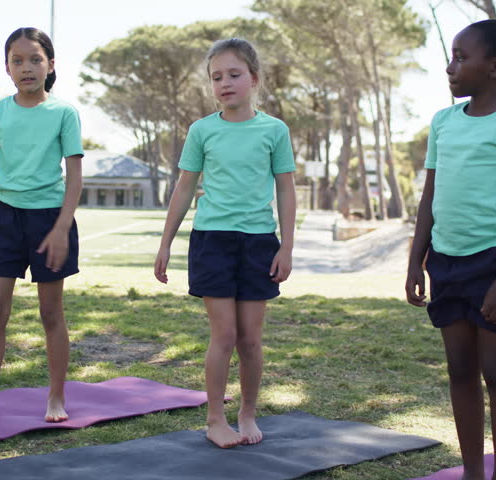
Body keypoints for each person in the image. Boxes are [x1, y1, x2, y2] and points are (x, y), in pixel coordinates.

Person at [405, 20, 496, 480]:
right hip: (447, 261)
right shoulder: (443, 122)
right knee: (460, 370)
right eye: (452, 55)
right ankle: (471, 473)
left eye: (461, 57)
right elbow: (430, 196)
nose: (450, 66)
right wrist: (415, 260)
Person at [154, 38, 296, 449]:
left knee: (251, 337)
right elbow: (184, 189)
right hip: (212, 241)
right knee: (224, 334)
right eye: (217, 77)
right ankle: (215, 419)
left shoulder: (274, 130)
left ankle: (247, 411)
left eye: (234, 74)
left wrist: (286, 246)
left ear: (254, 79)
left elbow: (286, 190)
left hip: (258, 244)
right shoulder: (202, 130)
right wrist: (165, 243)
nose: (225, 83)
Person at [0, 27, 83, 424]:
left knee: (50, 312)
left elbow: (74, 177)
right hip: (5, 217)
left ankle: (55, 398)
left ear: (51, 64)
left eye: (35, 59)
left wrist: (61, 227)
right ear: (7, 69)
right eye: (17, 60)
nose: (27, 67)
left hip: (49, 218)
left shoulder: (64, 113)